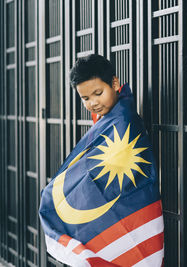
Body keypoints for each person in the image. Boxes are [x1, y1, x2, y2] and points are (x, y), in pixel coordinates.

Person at [39, 54, 164, 267]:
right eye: (85, 98)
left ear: (114, 83)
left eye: (98, 93)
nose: (93, 103)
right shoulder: (112, 114)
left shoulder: (123, 119)